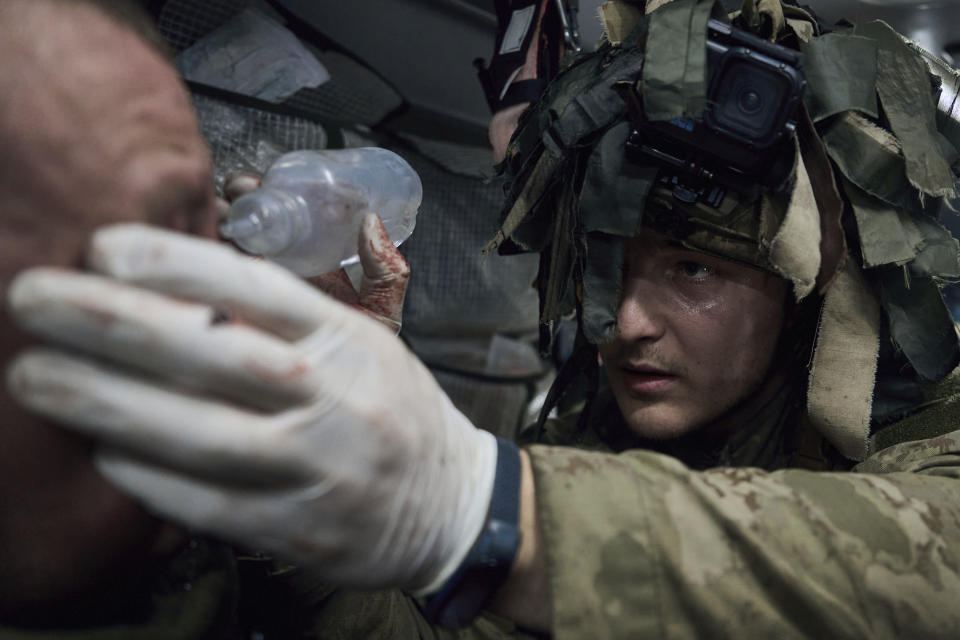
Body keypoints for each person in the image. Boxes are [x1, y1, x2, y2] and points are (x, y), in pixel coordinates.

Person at [6, 2, 960, 640]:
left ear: (811, 290)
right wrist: (305, 513)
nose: (623, 322)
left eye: (695, 270)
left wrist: (482, 507)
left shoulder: (933, 433)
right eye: (604, 268)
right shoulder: (593, 441)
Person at [0, 0, 409, 633]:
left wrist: (302, 500)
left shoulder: (185, 579)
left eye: (213, 239)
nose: (241, 327)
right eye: (157, 248)